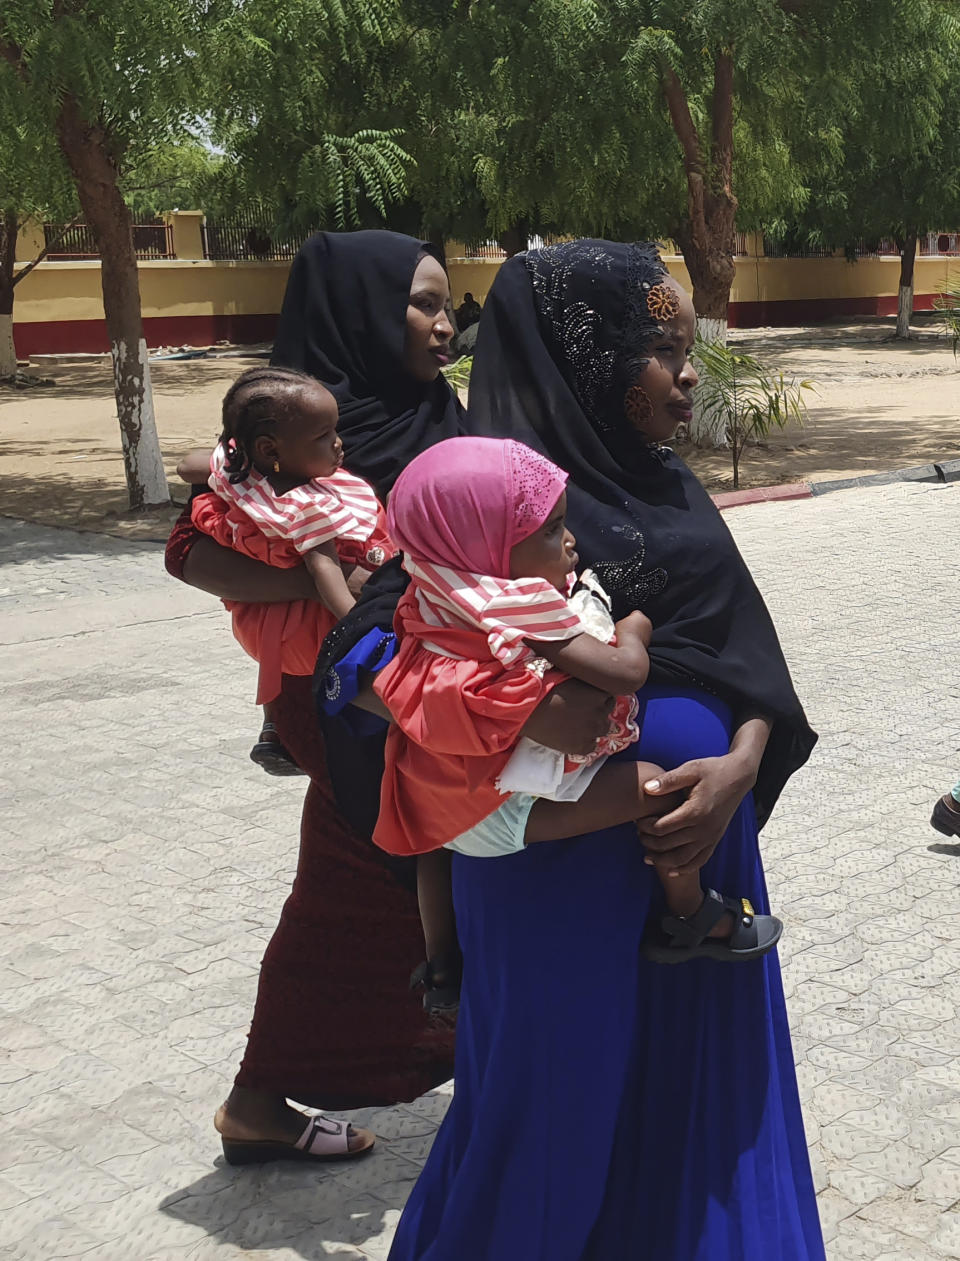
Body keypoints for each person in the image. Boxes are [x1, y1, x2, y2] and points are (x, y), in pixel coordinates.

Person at [386, 240, 824, 1259]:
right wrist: (504, 710)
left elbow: (743, 658)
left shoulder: (669, 487)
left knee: (696, 1110)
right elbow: (370, 651)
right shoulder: (477, 499)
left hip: (701, 849)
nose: (687, 374)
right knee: (545, 1125)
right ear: (586, 360)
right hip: (549, 876)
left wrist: (741, 767)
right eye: (659, 350)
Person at [166, 230, 472, 1163]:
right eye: (422, 302)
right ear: (366, 312)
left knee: (387, 878)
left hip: (410, 686)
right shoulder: (300, 434)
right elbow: (191, 553)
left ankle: (283, 1091)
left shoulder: (428, 410)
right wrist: (325, 578)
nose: (443, 321)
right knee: (369, 875)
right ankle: (262, 1097)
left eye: (446, 302)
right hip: (338, 695)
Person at [375, 434, 783, 971]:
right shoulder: (522, 604)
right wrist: (633, 629)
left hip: (440, 816)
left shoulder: (434, 584)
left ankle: (443, 966)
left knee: (438, 854)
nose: (571, 541)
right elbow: (624, 674)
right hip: (506, 810)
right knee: (658, 790)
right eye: (549, 530)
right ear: (487, 544)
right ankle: (694, 914)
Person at [189, 366, 395, 775]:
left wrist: (226, 464)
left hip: (272, 638)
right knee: (377, 694)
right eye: (323, 436)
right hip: (310, 633)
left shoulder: (245, 477)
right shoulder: (308, 508)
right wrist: (362, 625)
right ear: (270, 450)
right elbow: (326, 576)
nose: (339, 444)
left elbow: (188, 466)